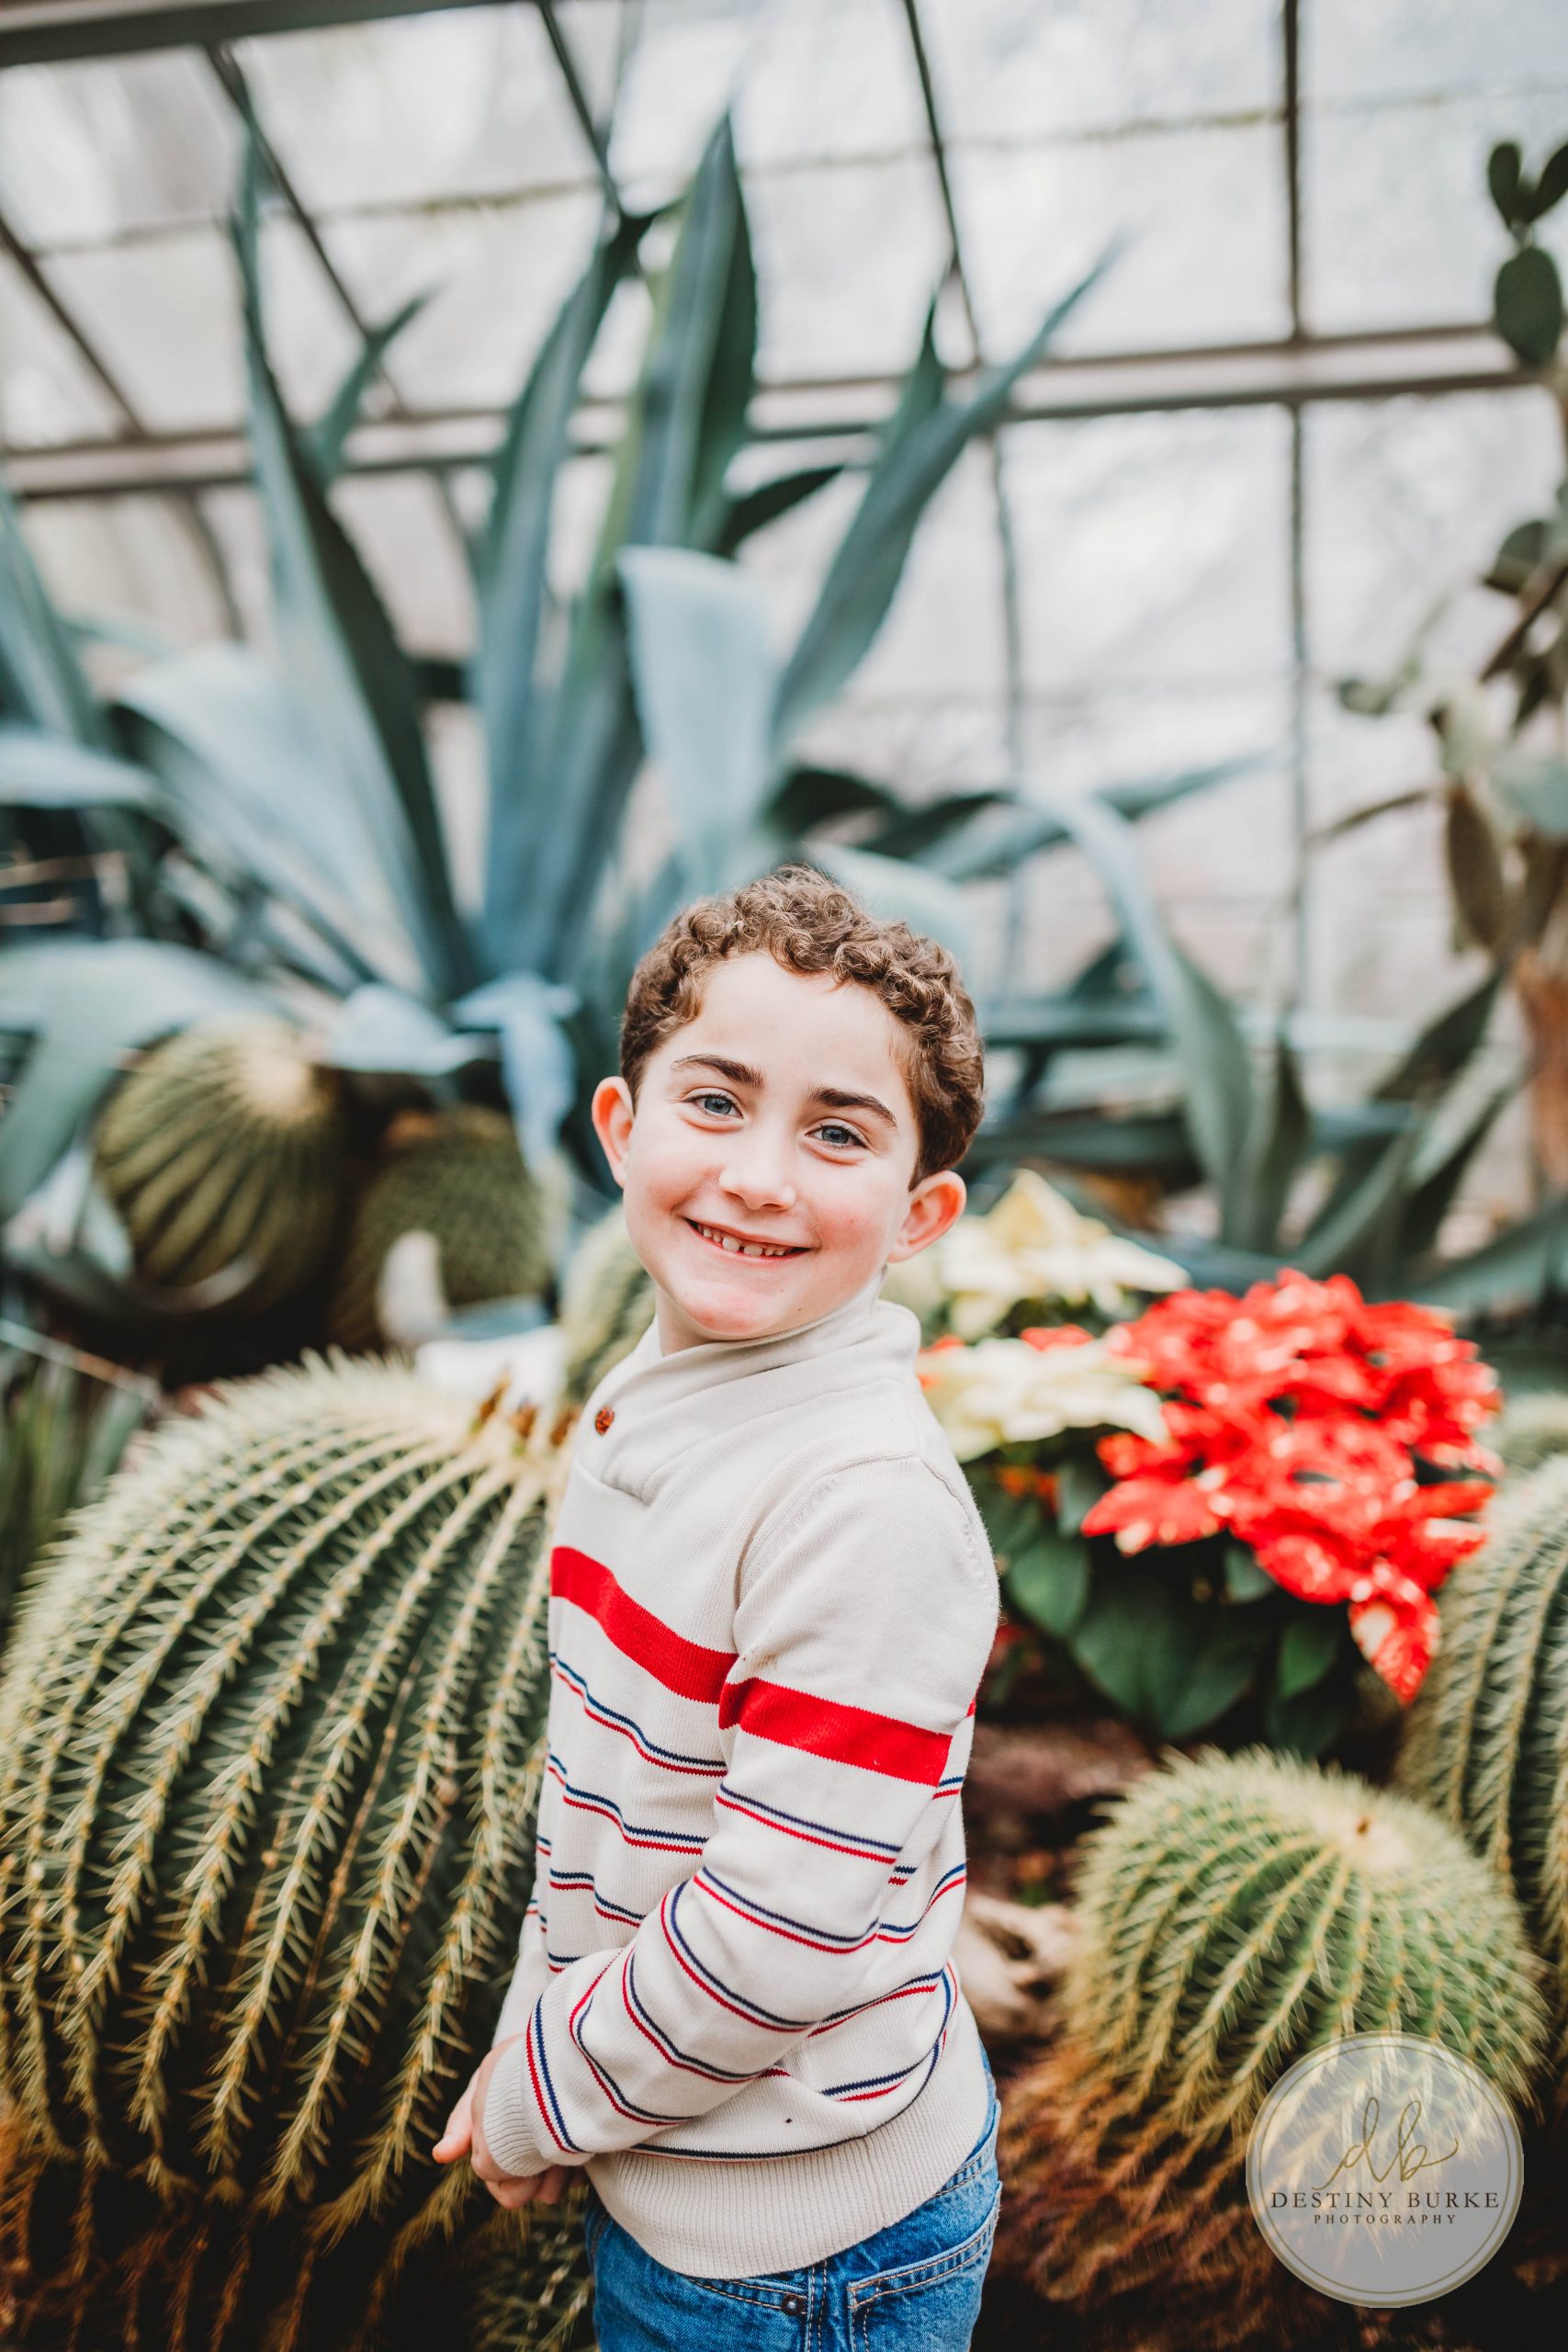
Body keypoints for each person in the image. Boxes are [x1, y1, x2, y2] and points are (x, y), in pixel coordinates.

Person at [434, 864, 1004, 2348]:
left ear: (919, 1213)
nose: (759, 1174)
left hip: (808, 2251)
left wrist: (541, 2099)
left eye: (836, 1133)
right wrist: (540, 2024)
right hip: (703, 2168)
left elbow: (773, 1934)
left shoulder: (860, 1504)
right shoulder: (658, 1402)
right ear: (620, 1129)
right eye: (715, 1101)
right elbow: (603, 1792)